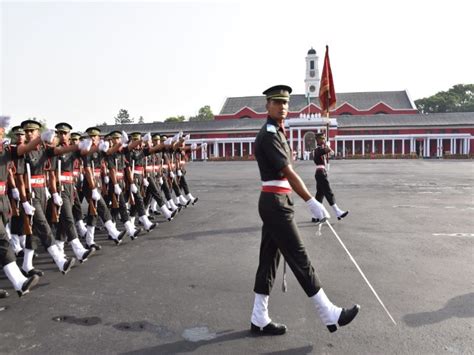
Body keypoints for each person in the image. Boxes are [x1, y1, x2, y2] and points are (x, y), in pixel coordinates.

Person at [250, 85, 359, 335]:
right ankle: (329, 313)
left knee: (268, 260)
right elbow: (288, 172)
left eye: (286, 103)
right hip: (275, 203)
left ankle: (258, 317)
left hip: (277, 202)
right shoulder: (269, 134)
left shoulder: (278, 132)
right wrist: (311, 200)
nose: (282, 107)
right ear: (267, 106)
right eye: (277, 103)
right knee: (300, 258)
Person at [313, 133, 348, 221]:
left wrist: (328, 147)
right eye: (322, 139)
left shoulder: (320, 149)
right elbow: (328, 150)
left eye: (324, 139)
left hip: (321, 173)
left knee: (319, 195)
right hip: (321, 173)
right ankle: (337, 212)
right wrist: (328, 146)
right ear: (318, 140)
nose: (324, 140)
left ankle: (315, 216)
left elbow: (331, 153)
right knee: (328, 192)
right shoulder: (318, 149)